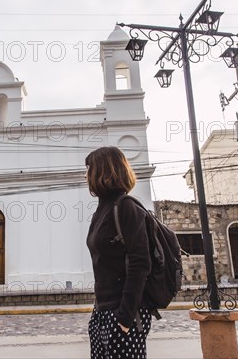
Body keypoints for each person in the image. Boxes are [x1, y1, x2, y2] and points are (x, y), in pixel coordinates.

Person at [85, 146, 152, 359]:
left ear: (103, 171)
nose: (86, 175)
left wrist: (125, 317)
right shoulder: (102, 210)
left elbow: (140, 263)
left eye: (89, 169)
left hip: (124, 314)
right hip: (102, 312)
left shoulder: (126, 207)